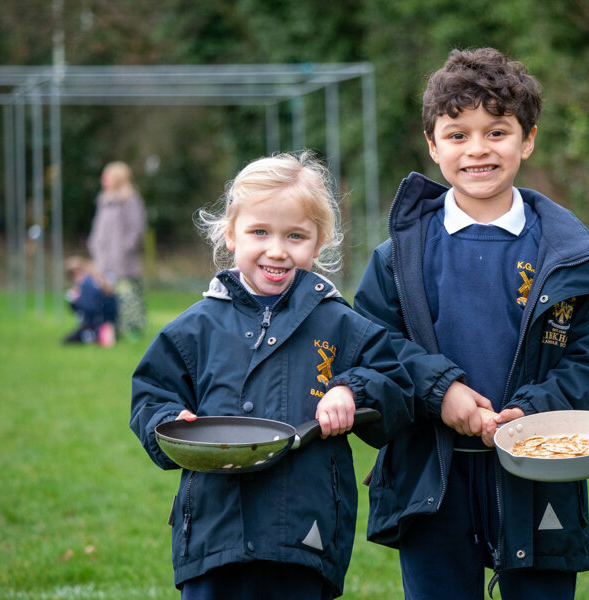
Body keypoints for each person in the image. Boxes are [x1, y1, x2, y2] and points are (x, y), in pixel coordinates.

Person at [353, 48, 589, 599]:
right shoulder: (396, 258)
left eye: (496, 131)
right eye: (457, 135)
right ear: (432, 145)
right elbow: (371, 346)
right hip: (432, 477)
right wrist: (440, 391)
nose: (477, 149)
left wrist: (531, 413)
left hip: (539, 478)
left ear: (527, 140)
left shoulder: (573, 256)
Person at [130, 152, 414, 600]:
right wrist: (169, 423)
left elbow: (395, 386)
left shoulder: (342, 324)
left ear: (319, 243)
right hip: (213, 531)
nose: (277, 250)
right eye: (259, 231)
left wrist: (351, 390)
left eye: (295, 235)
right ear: (230, 234)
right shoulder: (194, 327)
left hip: (305, 533)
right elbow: (151, 395)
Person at [87, 161, 147, 341]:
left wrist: (126, 248)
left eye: (108, 176)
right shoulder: (104, 200)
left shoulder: (130, 199)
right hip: (104, 258)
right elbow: (98, 228)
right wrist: (94, 244)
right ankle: (112, 328)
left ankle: (133, 329)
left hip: (124, 260)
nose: (103, 179)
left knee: (128, 295)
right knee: (107, 295)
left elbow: (137, 227)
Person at [63, 256, 117, 346]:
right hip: (105, 320)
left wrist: (74, 301)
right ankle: (102, 333)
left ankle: (97, 334)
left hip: (95, 322)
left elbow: (89, 308)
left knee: (68, 340)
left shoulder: (87, 284)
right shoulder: (94, 280)